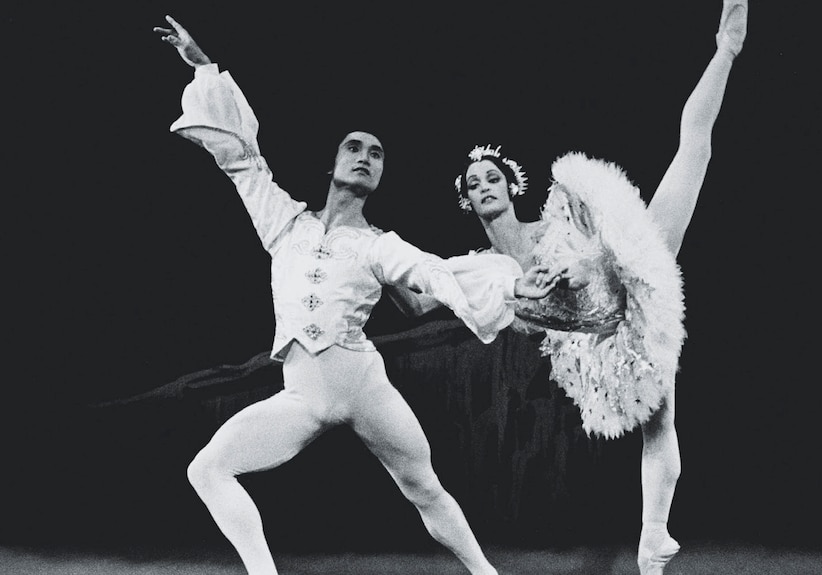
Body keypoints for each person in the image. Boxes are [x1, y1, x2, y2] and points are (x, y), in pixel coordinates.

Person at [153, 15, 563, 575]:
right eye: (355, 147)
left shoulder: (378, 245)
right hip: (301, 398)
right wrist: (205, 67)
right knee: (207, 469)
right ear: (334, 164)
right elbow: (242, 161)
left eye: (377, 153)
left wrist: (513, 283)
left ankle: (485, 573)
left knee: (424, 488)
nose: (366, 155)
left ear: (379, 177)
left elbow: (431, 273)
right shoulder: (284, 223)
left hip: (366, 388)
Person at [451, 2, 748, 574]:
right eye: (474, 184)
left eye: (493, 178)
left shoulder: (549, 222)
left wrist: (580, 270)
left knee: (694, 151)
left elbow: (597, 246)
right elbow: (492, 310)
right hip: (599, 337)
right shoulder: (482, 266)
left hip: (627, 278)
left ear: (510, 187)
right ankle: (652, 546)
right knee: (658, 424)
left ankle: (726, 47)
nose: (486, 186)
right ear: (467, 201)